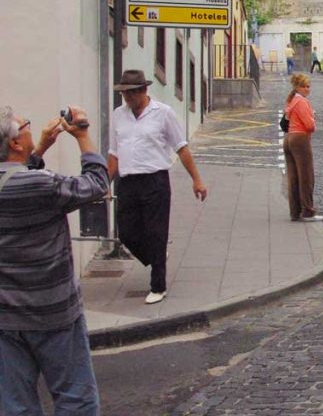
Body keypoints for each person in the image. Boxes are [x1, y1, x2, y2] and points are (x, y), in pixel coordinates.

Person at [0, 105, 107, 416]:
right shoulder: (42, 185)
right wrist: (83, 136)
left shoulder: (29, 182)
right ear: (16, 143)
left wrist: (43, 144)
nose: (33, 128)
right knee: (76, 400)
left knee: (15, 407)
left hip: (5, 316)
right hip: (54, 313)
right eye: (27, 126)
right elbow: (96, 184)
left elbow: (14, 177)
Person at [108, 70, 208, 305]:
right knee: (126, 233)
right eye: (123, 93)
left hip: (155, 181)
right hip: (128, 181)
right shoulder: (118, 115)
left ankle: (158, 285)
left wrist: (197, 179)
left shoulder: (163, 114)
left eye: (131, 93)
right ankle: (157, 256)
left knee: (156, 232)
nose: (127, 98)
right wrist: (105, 182)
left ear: (143, 90)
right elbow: (114, 152)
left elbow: (181, 147)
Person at [283, 73, 323, 222]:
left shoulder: (292, 100)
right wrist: (313, 117)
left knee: (293, 177)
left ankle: (295, 211)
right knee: (306, 176)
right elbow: (309, 125)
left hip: (289, 138)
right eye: (305, 86)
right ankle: (307, 211)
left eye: (308, 86)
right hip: (301, 139)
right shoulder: (302, 102)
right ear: (298, 87)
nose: (308, 89)